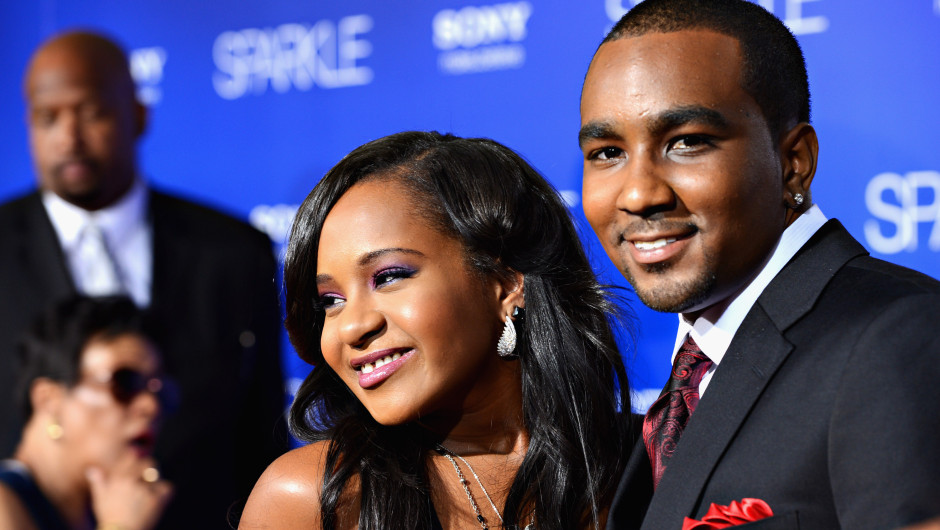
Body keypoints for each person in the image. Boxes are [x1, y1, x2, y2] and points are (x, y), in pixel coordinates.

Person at [577, 0, 940, 529]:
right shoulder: (684, 384)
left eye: (687, 143)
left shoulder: (897, 337)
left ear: (793, 163)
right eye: (608, 152)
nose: (638, 194)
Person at [240, 131, 635, 529]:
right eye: (330, 301)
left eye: (389, 277)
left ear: (506, 282)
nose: (354, 327)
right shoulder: (309, 499)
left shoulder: (654, 460)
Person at [0, 30, 287, 528]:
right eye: (47, 118)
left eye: (90, 112)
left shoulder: (234, 252)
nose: (68, 137)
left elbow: (260, 436)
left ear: (137, 114)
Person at [0, 296, 173, 530]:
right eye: (126, 383)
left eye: (159, 389)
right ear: (49, 400)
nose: (151, 406)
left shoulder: (103, 511)